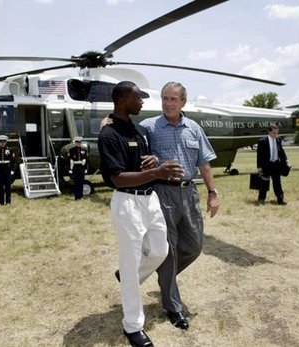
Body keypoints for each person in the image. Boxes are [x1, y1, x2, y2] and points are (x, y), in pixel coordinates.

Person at [98, 81, 184, 347]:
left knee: (160, 251)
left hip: (150, 199)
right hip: (127, 203)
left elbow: (143, 162)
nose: (143, 102)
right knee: (131, 259)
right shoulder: (108, 134)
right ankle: (133, 327)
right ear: (124, 99)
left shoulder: (138, 130)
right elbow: (118, 178)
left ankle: (127, 276)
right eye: (138, 97)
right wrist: (156, 173)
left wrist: (154, 162)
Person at [139, 81, 220, 331]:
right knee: (170, 249)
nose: (167, 103)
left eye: (173, 99)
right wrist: (109, 122)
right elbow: (130, 150)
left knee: (194, 245)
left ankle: (164, 276)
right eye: (165, 98)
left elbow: (204, 162)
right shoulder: (148, 127)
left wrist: (212, 192)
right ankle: (173, 307)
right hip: (162, 192)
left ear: (183, 102)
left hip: (189, 192)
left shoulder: (194, 128)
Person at [256, 123, 288, 205]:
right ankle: (261, 199)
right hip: (266, 165)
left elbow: (281, 151)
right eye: (274, 133)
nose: (275, 135)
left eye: (277, 133)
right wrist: (259, 167)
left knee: (277, 183)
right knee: (264, 182)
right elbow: (259, 155)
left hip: (276, 164)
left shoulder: (278, 140)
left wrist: (285, 161)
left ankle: (280, 199)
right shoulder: (262, 141)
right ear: (269, 132)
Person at [0, 135, 16, 205]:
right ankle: (1, 202)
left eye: (4, 141)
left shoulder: (10, 150)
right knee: (0, 186)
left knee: (8, 186)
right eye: (0, 141)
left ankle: (8, 201)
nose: (2, 143)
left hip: (7, 169)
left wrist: (12, 170)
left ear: (6, 142)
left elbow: (13, 161)